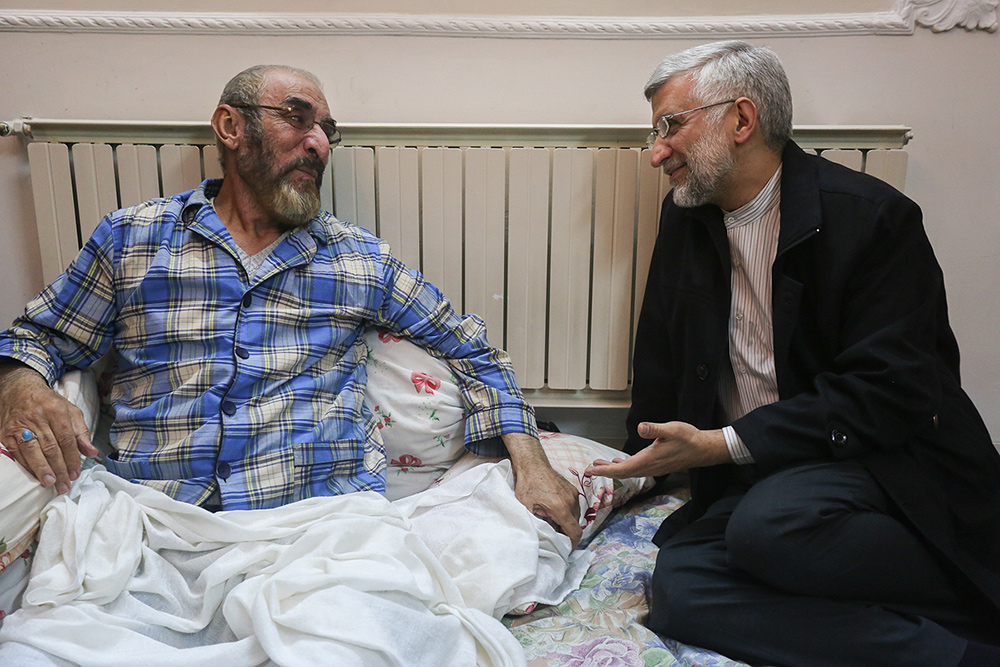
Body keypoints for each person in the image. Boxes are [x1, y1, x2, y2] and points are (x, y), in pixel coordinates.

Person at [0, 64, 581, 545]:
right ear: (231, 126)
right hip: (156, 523)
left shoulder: (358, 259)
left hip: (321, 530)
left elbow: (475, 353)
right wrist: (21, 389)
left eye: (327, 130)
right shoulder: (133, 239)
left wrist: (531, 464)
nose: (319, 143)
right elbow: (37, 336)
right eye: (298, 118)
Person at [586, 40, 1000, 666]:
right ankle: (954, 655)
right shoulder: (686, 217)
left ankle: (967, 578)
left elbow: (889, 392)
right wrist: (631, 467)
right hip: (764, 472)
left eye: (670, 126)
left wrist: (723, 444)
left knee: (769, 529)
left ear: (741, 120)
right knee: (680, 591)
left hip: (876, 459)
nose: (656, 153)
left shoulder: (873, 218)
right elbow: (662, 353)